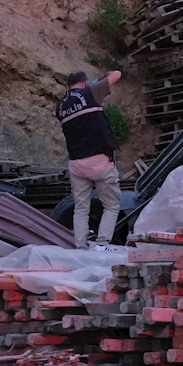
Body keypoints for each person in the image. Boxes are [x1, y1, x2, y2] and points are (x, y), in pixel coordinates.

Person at [56, 70, 122, 250]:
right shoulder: (90, 93)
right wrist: (103, 76)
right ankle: (102, 245)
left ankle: (80, 247)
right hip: (100, 161)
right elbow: (117, 74)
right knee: (111, 206)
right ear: (84, 83)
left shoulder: (60, 107)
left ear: (68, 86)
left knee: (81, 208)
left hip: (77, 164)